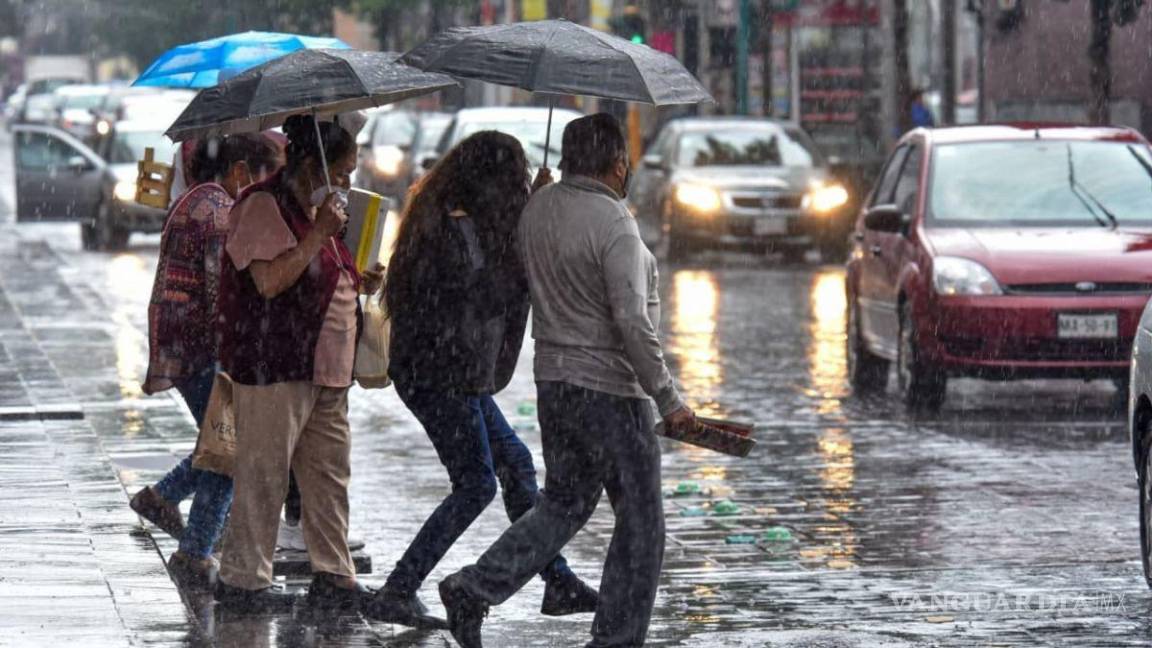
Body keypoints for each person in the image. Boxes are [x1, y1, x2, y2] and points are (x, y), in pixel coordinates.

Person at [437, 114, 696, 648]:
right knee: (642, 523)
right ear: (618, 162)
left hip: (556, 386)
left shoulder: (538, 211)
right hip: (612, 391)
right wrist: (668, 397)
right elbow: (631, 319)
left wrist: (539, 199)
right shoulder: (614, 222)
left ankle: (475, 586)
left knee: (563, 504)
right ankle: (617, 638)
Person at [365, 132, 598, 629]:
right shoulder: (451, 227)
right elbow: (482, 296)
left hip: (451, 372)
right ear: (489, 180)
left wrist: (529, 214)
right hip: (438, 374)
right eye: (513, 176)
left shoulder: (460, 218)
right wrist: (524, 235)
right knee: (475, 485)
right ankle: (400, 589)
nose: (517, 185)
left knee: (514, 463)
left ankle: (555, 580)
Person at [214, 114, 384, 613]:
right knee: (264, 474)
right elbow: (269, 281)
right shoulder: (264, 206)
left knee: (328, 478)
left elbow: (322, 272)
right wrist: (320, 235)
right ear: (314, 166)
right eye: (344, 171)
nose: (349, 182)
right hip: (275, 364)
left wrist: (358, 279)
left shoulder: (320, 211)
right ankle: (243, 579)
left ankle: (334, 574)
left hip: (328, 370)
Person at [131, 133, 282, 588]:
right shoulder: (218, 212)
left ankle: (162, 497)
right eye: (261, 178)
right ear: (239, 171)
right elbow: (223, 294)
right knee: (230, 449)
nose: (262, 189)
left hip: (184, 344)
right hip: (203, 349)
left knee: (222, 442)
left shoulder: (194, 199)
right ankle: (194, 550)